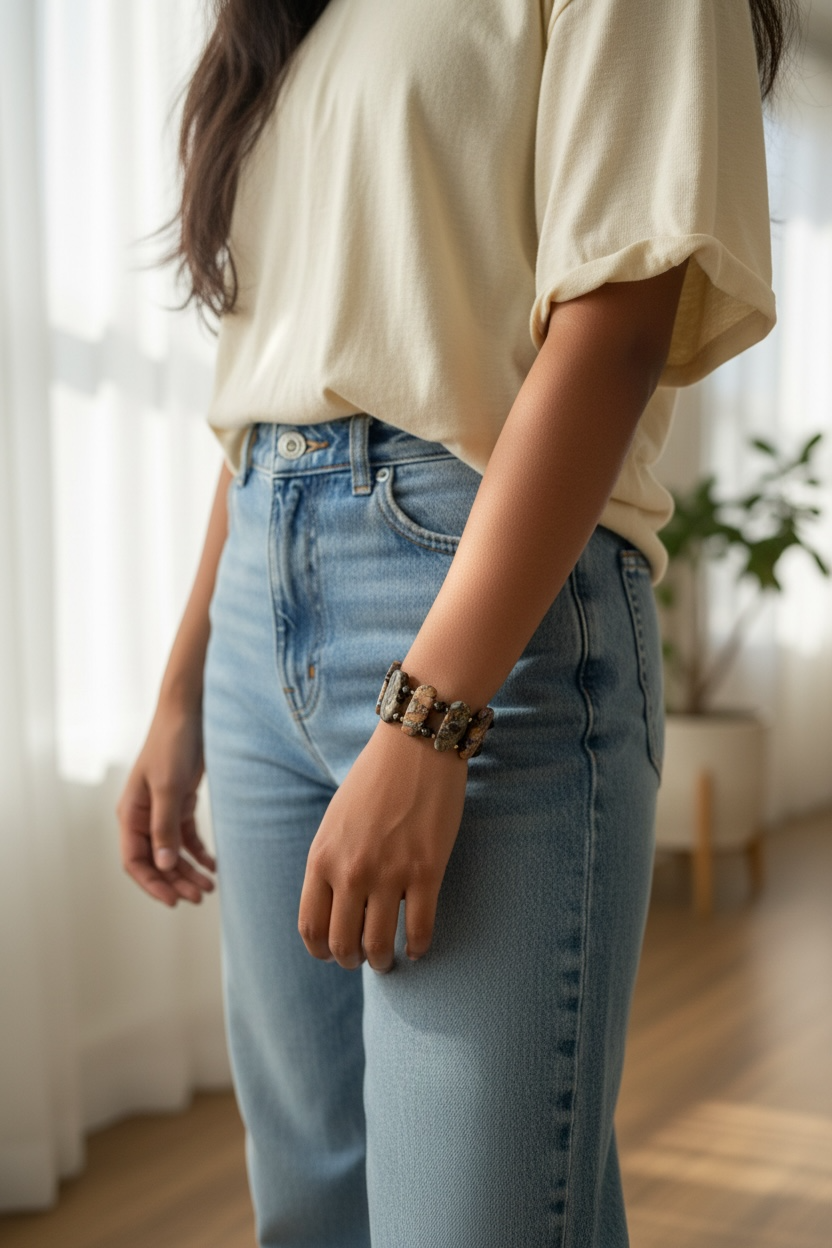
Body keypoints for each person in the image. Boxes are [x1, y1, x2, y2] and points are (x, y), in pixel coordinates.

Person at [116, 1, 798, 1244]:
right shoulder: (294, 24)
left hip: (483, 615)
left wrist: (432, 718)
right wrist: (179, 692)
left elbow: (615, 330)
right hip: (260, 596)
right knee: (310, 1209)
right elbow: (272, 388)